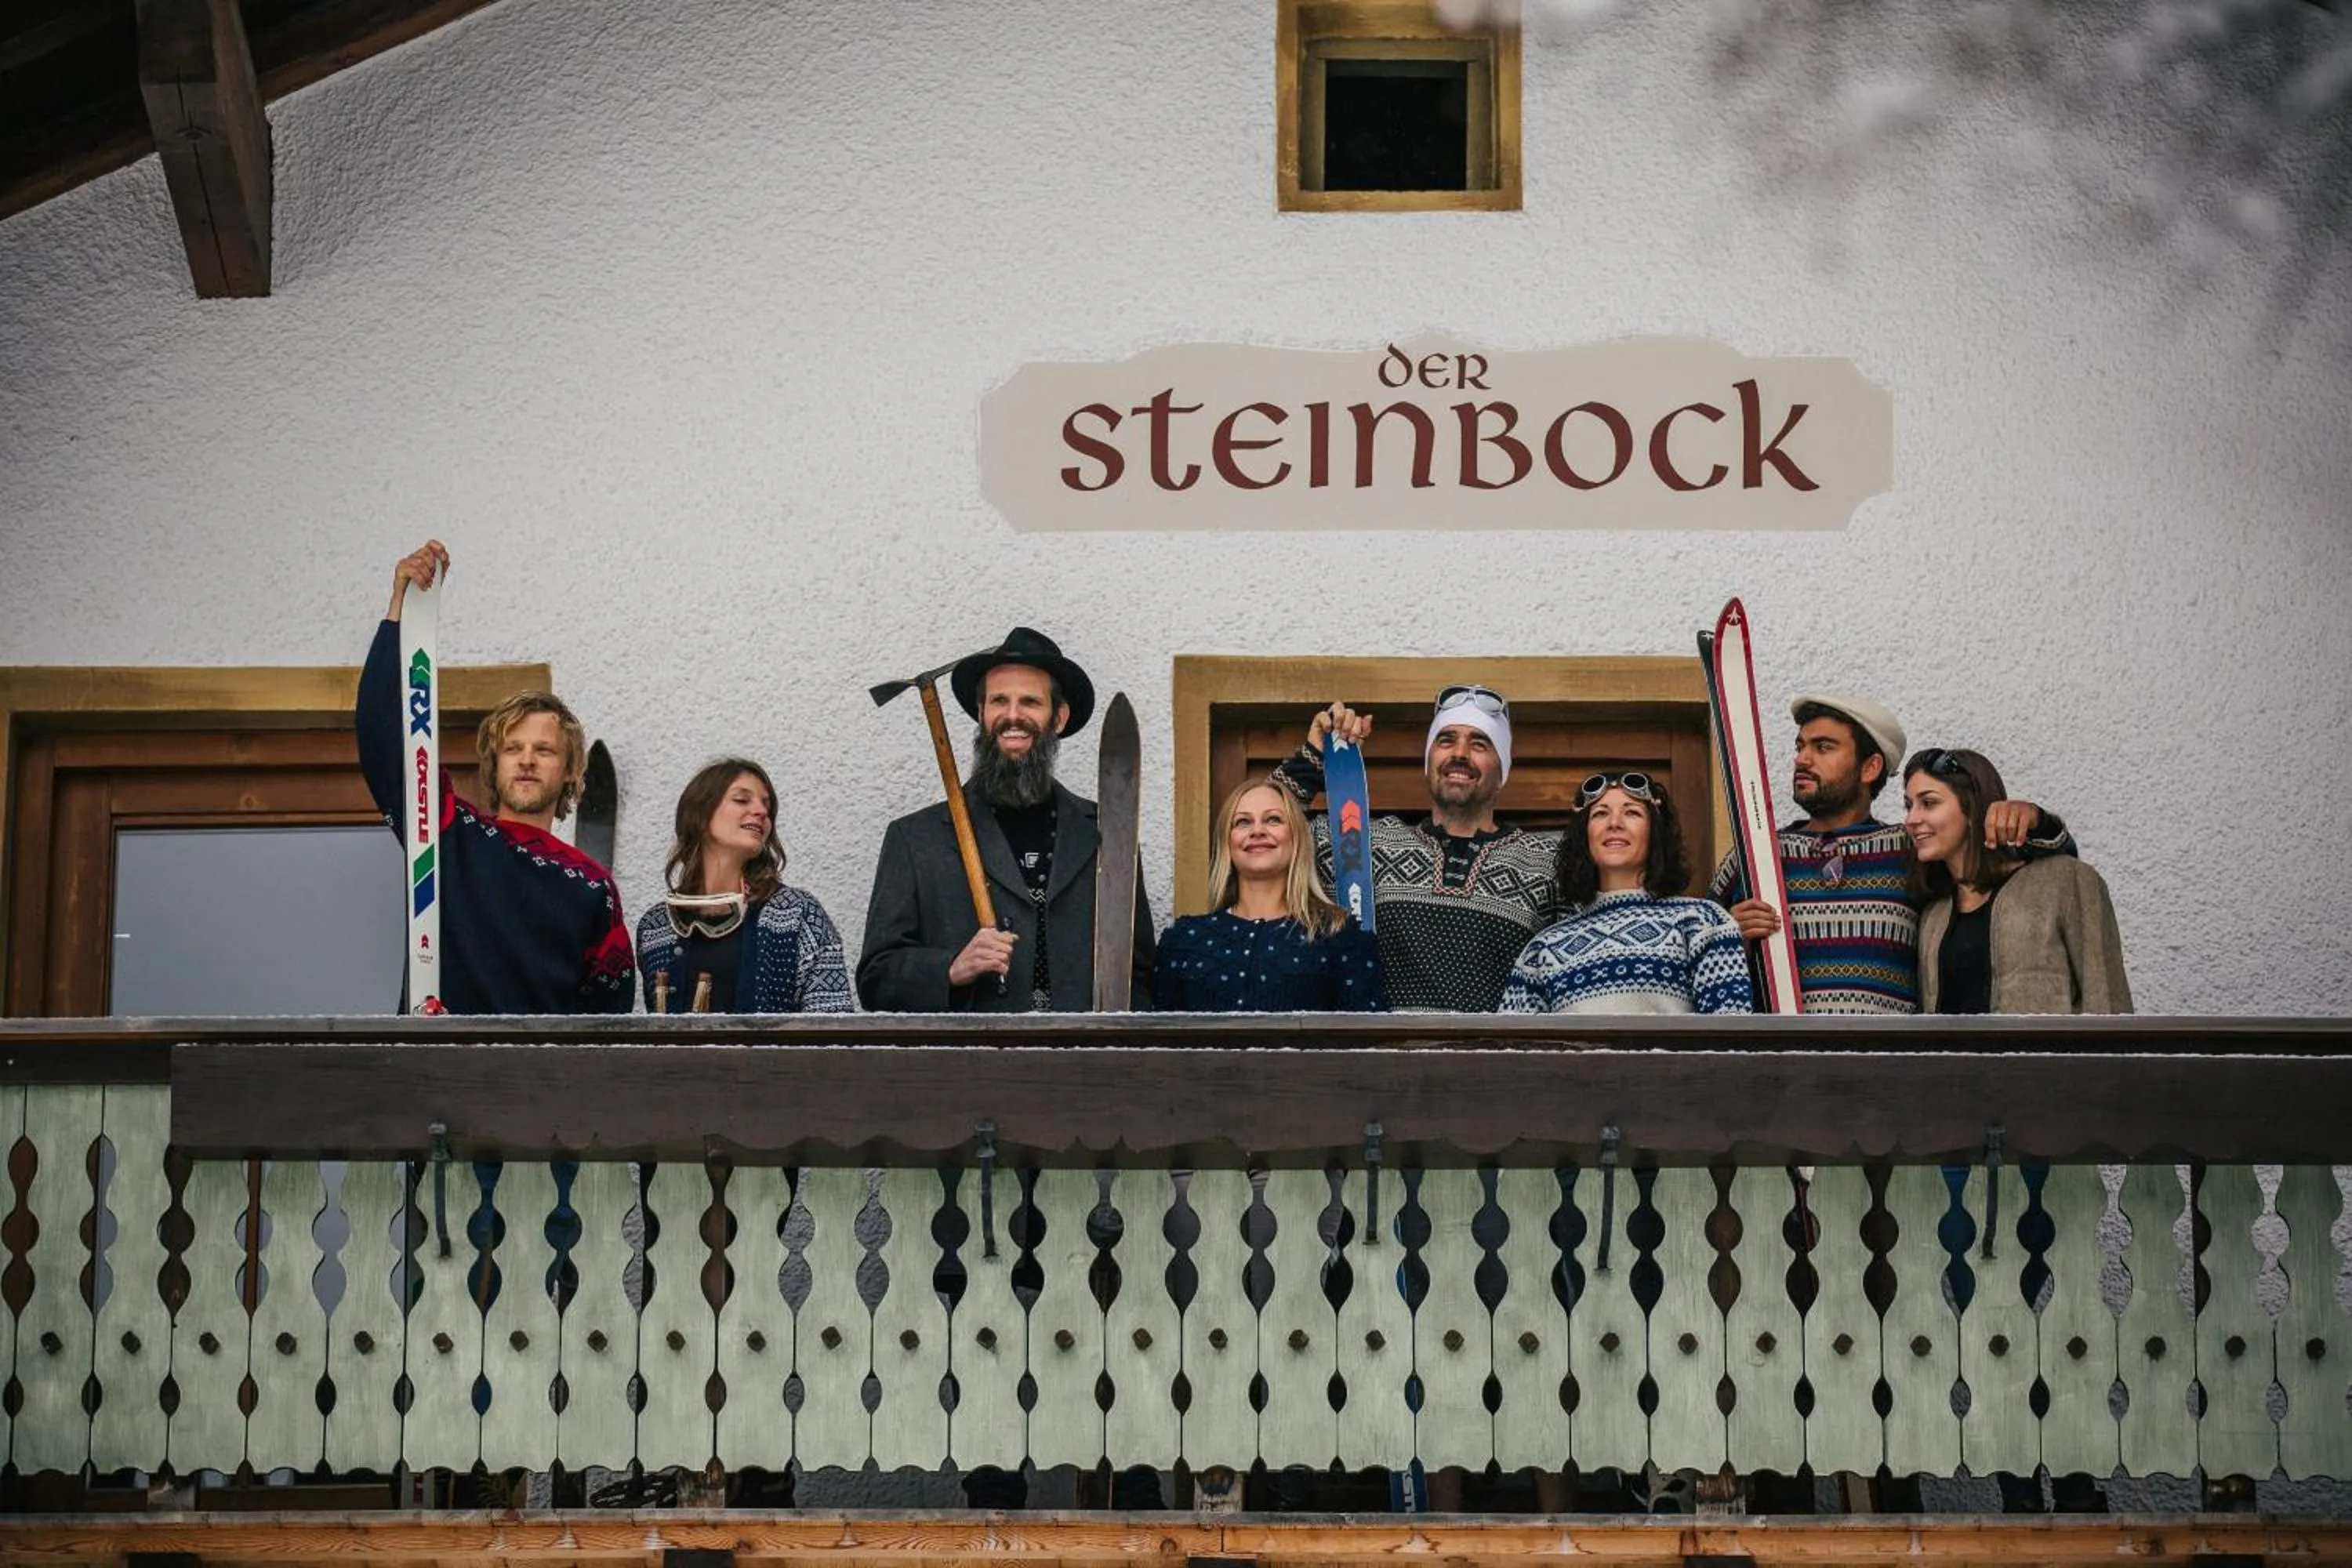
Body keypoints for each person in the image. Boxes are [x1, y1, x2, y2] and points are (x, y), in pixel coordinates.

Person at [356, 540, 634, 1014]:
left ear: (569, 770)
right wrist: (401, 611)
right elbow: (383, 740)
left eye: (544, 750)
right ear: (494, 764)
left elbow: (607, 1023)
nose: (526, 760)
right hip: (438, 1058)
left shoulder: (592, 889)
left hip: (535, 1063)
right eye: (512, 748)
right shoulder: (449, 834)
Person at [1710, 693, 2073, 1014]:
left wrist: (2036, 821)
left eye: (1823, 747)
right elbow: (1689, 945)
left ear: (1870, 767)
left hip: (1888, 1062)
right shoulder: (1753, 855)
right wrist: (1727, 937)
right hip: (1782, 1064)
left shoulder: (1912, 848)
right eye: (1800, 746)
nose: (1802, 759)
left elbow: (2039, 873)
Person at [858, 627, 1152, 1011]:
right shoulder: (915, 840)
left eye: (1030, 701)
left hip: (1082, 1048)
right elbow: (876, 981)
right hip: (974, 1050)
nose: (1013, 716)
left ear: (1059, 717)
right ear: (981, 714)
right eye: (999, 701)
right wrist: (950, 968)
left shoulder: (1106, 831)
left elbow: (1141, 977)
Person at [1268, 686, 1559, 1011]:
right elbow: (1260, 832)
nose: (1460, 753)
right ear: (1428, 761)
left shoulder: (1546, 862)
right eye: (1446, 740)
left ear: (1503, 771)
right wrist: (1313, 757)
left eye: (1480, 744)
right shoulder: (1362, 842)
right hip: (1382, 1043)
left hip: (1493, 1045)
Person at [1903, 747, 2131, 1014]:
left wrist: (2041, 821)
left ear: (1972, 807)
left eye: (1929, 803)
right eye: (1909, 805)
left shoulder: (2064, 881)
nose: (1911, 819)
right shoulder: (1933, 914)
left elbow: (2107, 1001)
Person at [1501, 773, 1752, 1014]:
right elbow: (1512, 1043)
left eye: (1632, 812)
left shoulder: (1702, 922)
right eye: (1600, 814)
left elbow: (1729, 1033)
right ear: (1584, 835)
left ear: (1655, 832)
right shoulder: (1543, 949)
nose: (1614, 823)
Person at [636, 757, 855, 1014]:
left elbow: (831, 1026)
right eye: (741, 800)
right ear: (700, 815)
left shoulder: (798, 913)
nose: (761, 812)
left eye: (767, 806)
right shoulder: (656, 926)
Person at [1152, 779, 1381, 1011]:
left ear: (1297, 838)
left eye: (1273, 819)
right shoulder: (1183, 940)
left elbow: (1367, 1031)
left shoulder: (1339, 934)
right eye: (1243, 822)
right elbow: (1158, 1032)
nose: (1257, 831)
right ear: (1226, 843)